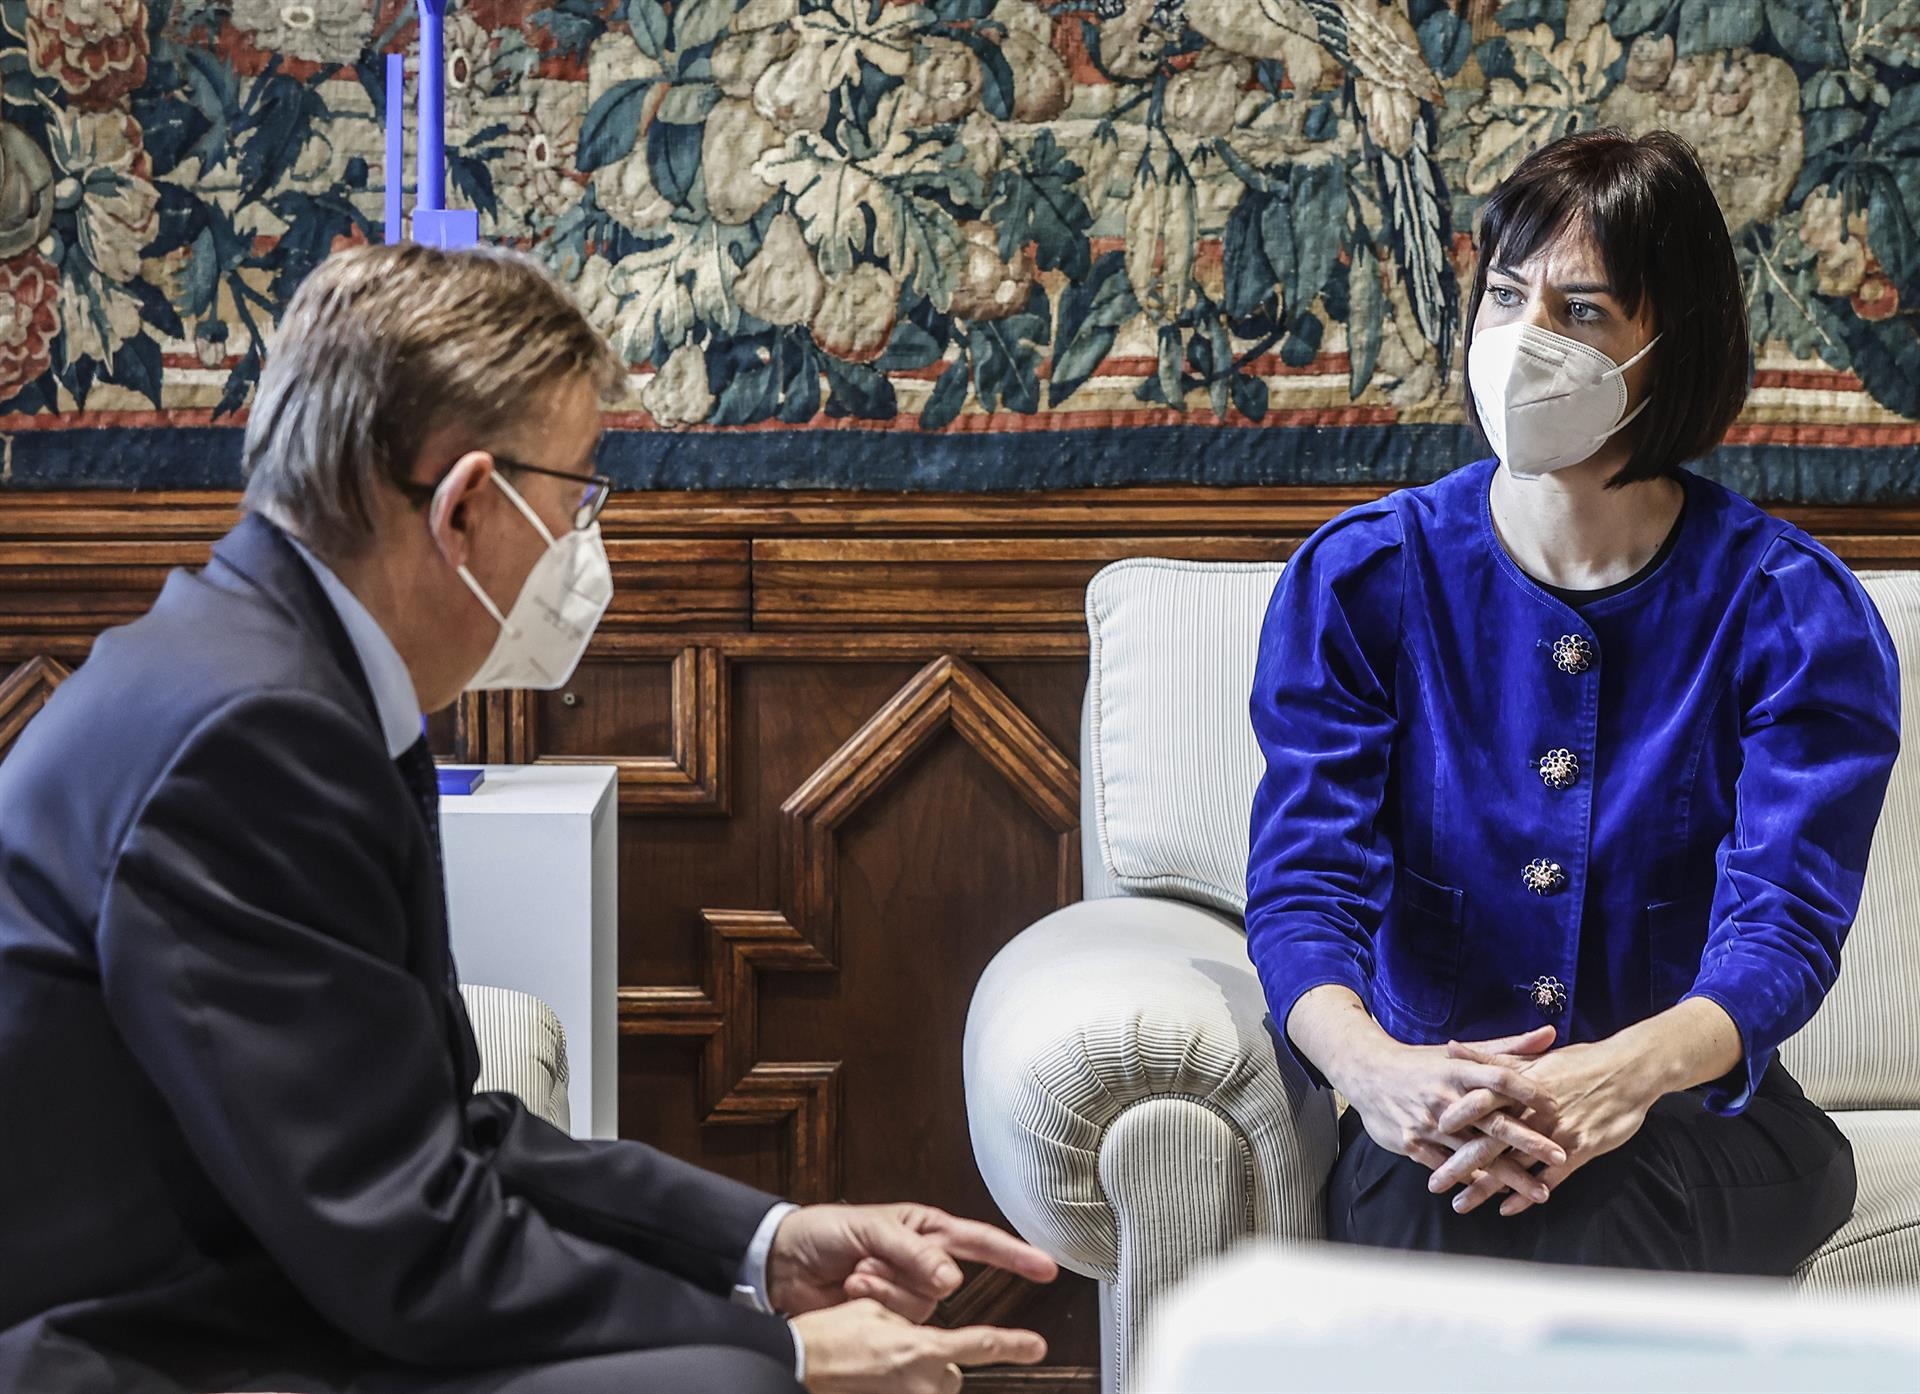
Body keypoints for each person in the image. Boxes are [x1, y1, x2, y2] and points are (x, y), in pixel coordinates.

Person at [0, 243, 1057, 1394]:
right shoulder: (255, 737)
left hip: (271, 1286)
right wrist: (789, 1348)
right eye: (576, 493)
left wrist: (765, 1243)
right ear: (465, 507)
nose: (579, 541)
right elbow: (402, 1243)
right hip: (146, 1347)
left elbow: (445, 1128)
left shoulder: (270, 667)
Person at [1245, 129, 1901, 1275]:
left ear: (1671, 345)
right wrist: (1371, 1067)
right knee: (1436, 1191)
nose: (1524, 339)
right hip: (1433, 1108)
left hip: (1703, 1118)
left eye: (1582, 310)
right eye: (1505, 294)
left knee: (1589, 1198)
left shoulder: (1791, 612)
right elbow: (1307, 884)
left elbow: (1782, 926)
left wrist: (1624, 1074)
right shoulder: (1364, 582)